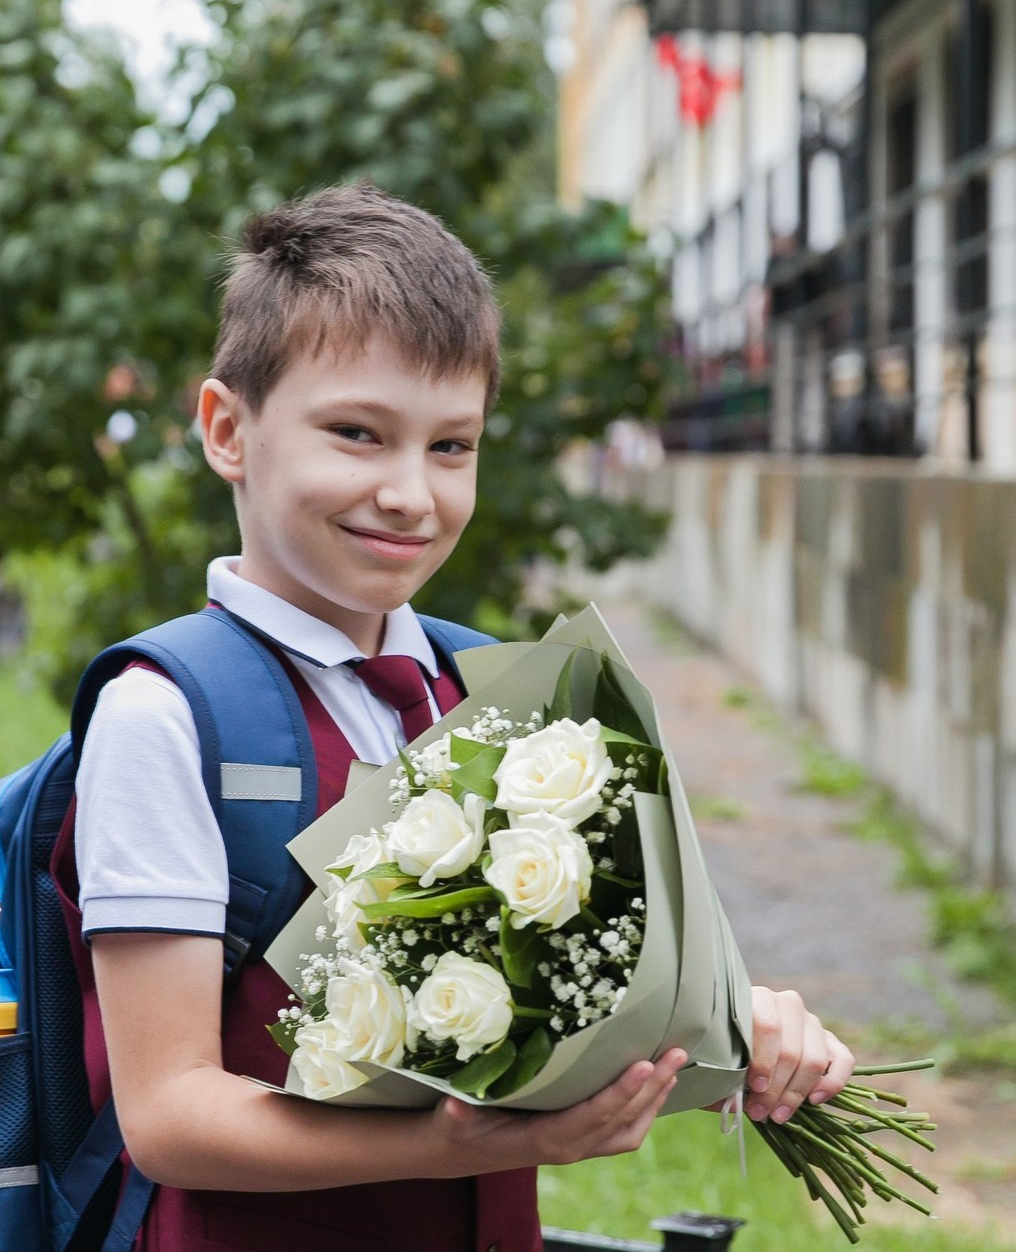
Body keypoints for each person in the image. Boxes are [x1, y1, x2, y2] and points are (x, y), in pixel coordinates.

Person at [69, 184, 853, 1252]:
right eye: (356, 433)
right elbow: (166, 1117)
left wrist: (731, 1025)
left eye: (451, 446)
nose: (408, 492)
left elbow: (578, 985)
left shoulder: (494, 688)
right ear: (226, 430)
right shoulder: (166, 715)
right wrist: (449, 1145)